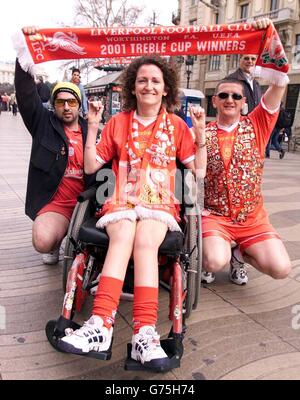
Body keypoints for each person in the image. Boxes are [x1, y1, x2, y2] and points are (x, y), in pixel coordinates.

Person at [59, 55, 207, 370]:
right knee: (124, 233)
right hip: (121, 198)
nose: (149, 86)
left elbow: (199, 172)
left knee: (146, 240)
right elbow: (90, 166)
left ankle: (144, 333)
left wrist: (201, 136)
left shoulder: (177, 126)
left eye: (155, 81)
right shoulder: (118, 122)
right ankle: (100, 324)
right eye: (142, 80)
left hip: (160, 200)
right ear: (133, 87)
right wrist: (94, 126)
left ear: (166, 89)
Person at [200, 18, 291, 288]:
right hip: (215, 216)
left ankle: (240, 254)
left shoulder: (257, 123)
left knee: (282, 268)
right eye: (224, 95)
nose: (230, 100)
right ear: (214, 101)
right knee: (214, 260)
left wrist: (267, 37)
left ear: (243, 103)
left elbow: (280, 83)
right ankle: (222, 251)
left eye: (236, 97)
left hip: (252, 218)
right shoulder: (202, 133)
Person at [15, 26, 96, 266]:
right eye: (61, 102)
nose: (67, 107)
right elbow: (26, 93)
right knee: (42, 240)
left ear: (79, 105)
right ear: (54, 105)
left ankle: (75, 237)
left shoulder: (92, 130)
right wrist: (27, 48)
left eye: (72, 101)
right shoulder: (42, 123)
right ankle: (55, 241)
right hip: (56, 204)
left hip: (86, 202)